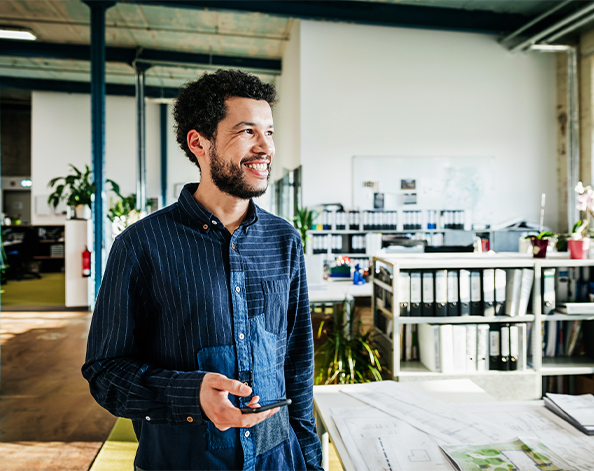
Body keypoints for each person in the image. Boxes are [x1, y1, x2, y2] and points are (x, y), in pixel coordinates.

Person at [82, 69, 323, 471]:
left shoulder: (283, 240)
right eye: (247, 131)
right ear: (200, 143)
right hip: (184, 460)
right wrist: (190, 393)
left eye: (269, 132)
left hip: (277, 459)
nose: (266, 147)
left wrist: (311, 461)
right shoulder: (141, 245)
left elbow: (297, 364)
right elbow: (105, 372)